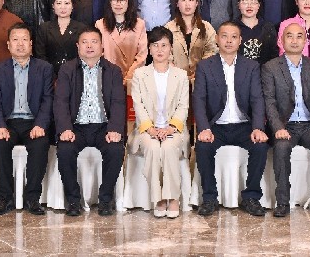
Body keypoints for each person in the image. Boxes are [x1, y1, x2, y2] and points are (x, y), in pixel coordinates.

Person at [262, 23, 310, 217]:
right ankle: (282, 202)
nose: (294, 40)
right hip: (285, 125)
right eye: (289, 36)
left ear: (306, 41)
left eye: (299, 36)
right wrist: (277, 127)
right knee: (281, 147)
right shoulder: (270, 68)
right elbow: (269, 102)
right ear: (281, 40)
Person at [193, 22, 269, 217]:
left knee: (260, 146)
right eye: (224, 36)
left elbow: (257, 99)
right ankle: (210, 198)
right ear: (217, 39)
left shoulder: (251, 66)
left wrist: (258, 127)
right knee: (202, 147)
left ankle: (251, 197)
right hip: (216, 126)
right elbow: (199, 100)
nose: (229, 41)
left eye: (234, 37)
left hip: (244, 126)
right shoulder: (205, 66)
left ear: (240, 40)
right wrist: (204, 128)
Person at [53, 28, 127, 216]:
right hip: (76, 127)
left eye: (94, 41)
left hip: (104, 126)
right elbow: (60, 101)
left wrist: (115, 129)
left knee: (116, 149)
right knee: (65, 150)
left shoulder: (113, 71)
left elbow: (118, 102)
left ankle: (106, 199)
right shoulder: (67, 70)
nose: (89, 46)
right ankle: (73, 200)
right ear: (78, 46)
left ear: (102, 46)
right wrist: (65, 128)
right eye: (84, 42)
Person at [0, 24, 54, 216]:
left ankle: (32, 198)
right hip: (8, 122)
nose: (20, 44)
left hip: (33, 122)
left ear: (31, 44)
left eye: (24, 39)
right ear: (8, 45)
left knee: (40, 144)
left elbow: (48, 99)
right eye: (15, 40)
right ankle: (5, 198)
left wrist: (40, 124)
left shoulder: (44, 68)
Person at [129, 27, 191, 218]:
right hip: (147, 129)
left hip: (174, 129)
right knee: (154, 148)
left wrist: (171, 128)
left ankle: (173, 197)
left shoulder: (181, 75)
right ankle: (158, 199)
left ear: (171, 48)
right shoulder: (140, 74)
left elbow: (183, 106)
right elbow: (138, 105)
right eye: (155, 45)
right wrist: (150, 128)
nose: (160, 50)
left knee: (169, 147)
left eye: (164, 45)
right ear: (149, 48)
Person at [96, 0, 148, 83]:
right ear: (110, 2)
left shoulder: (139, 24)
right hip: (108, 78)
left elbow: (142, 56)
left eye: (123, 0)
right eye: (115, 0)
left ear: (128, 3)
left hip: (132, 79)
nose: (118, 4)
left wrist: (128, 78)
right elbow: (98, 55)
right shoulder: (100, 25)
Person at [164, 0, 218, 79]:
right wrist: (177, 73)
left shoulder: (207, 27)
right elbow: (165, 54)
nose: (187, 4)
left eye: (191, 0)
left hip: (201, 77)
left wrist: (200, 72)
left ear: (196, 3)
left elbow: (212, 51)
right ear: (177, 4)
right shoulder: (168, 28)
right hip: (175, 78)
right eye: (183, 0)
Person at [34, 0, 88, 75]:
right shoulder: (44, 28)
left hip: (75, 75)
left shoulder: (81, 28)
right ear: (53, 6)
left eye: (67, 3)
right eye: (59, 3)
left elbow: (84, 55)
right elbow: (40, 55)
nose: (63, 7)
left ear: (72, 6)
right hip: (49, 75)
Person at [235, 0, 280, 66]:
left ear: (259, 5)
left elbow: (274, 55)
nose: (249, 6)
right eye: (245, 2)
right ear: (238, 5)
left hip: (264, 71)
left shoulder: (268, 27)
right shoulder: (232, 27)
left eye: (253, 2)